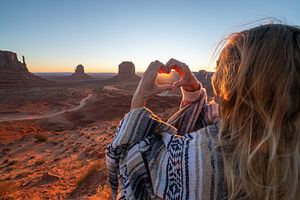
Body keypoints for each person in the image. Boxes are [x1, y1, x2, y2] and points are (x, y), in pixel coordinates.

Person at [106, 24, 300, 200]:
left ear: (238, 81)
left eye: (221, 68)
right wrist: (192, 91)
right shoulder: (285, 143)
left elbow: (133, 165)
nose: (215, 77)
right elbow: (215, 117)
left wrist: (138, 102)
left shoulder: (206, 161)